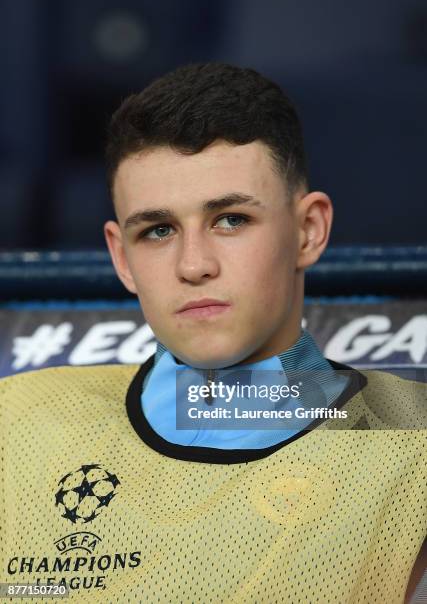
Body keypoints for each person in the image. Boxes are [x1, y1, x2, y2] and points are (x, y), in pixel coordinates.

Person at [1, 63, 425, 603]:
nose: (194, 265)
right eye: (157, 230)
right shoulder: (18, 419)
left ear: (308, 230)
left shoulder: (414, 445)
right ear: (121, 257)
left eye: (230, 219)